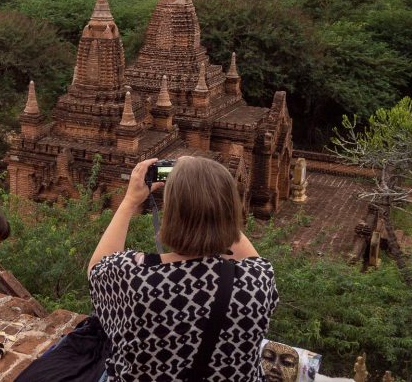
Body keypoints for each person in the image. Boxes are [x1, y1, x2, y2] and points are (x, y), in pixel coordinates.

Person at [88, 156, 279, 381]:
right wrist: (211, 196)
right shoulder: (257, 282)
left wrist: (130, 200)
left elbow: (96, 268)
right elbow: (249, 256)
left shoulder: (133, 278)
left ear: (171, 215)